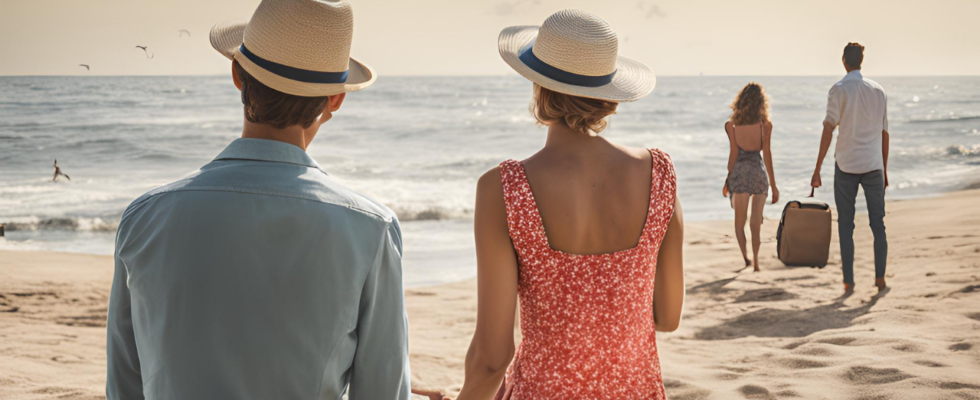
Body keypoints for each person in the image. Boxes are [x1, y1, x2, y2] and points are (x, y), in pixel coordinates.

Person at [105, 1, 413, 399]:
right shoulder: (370, 229)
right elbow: (383, 392)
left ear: (237, 74)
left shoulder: (144, 218)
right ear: (336, 98)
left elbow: (123, 386)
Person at [457, 10, 685, 400]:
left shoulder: (503, 189)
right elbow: (667, 318)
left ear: (538, 86)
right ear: (609, 96)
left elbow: (493, 358)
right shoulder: (660, 175)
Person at [810, 42, 889, 294]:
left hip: (846, 166)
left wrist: (817, 168)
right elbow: (885, 133)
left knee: (846, 225)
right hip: (874, 166)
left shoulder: (839, 89)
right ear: (861, 60)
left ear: (844, 60)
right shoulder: (878, 90)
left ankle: (849, 282)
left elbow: (828, 128)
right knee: (878, 224)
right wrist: (884, 169)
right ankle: (879, 279)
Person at [724, 83, 778, 272]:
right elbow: (768, 155)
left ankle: (745, 258)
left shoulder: (732, 126)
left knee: (740, 223)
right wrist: (773, 185)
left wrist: (727, 180)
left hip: (739, 174)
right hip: (757, 173)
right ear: (761, 103)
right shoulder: (765, 126)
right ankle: (756, 262)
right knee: (756, 222)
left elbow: (733, 155)